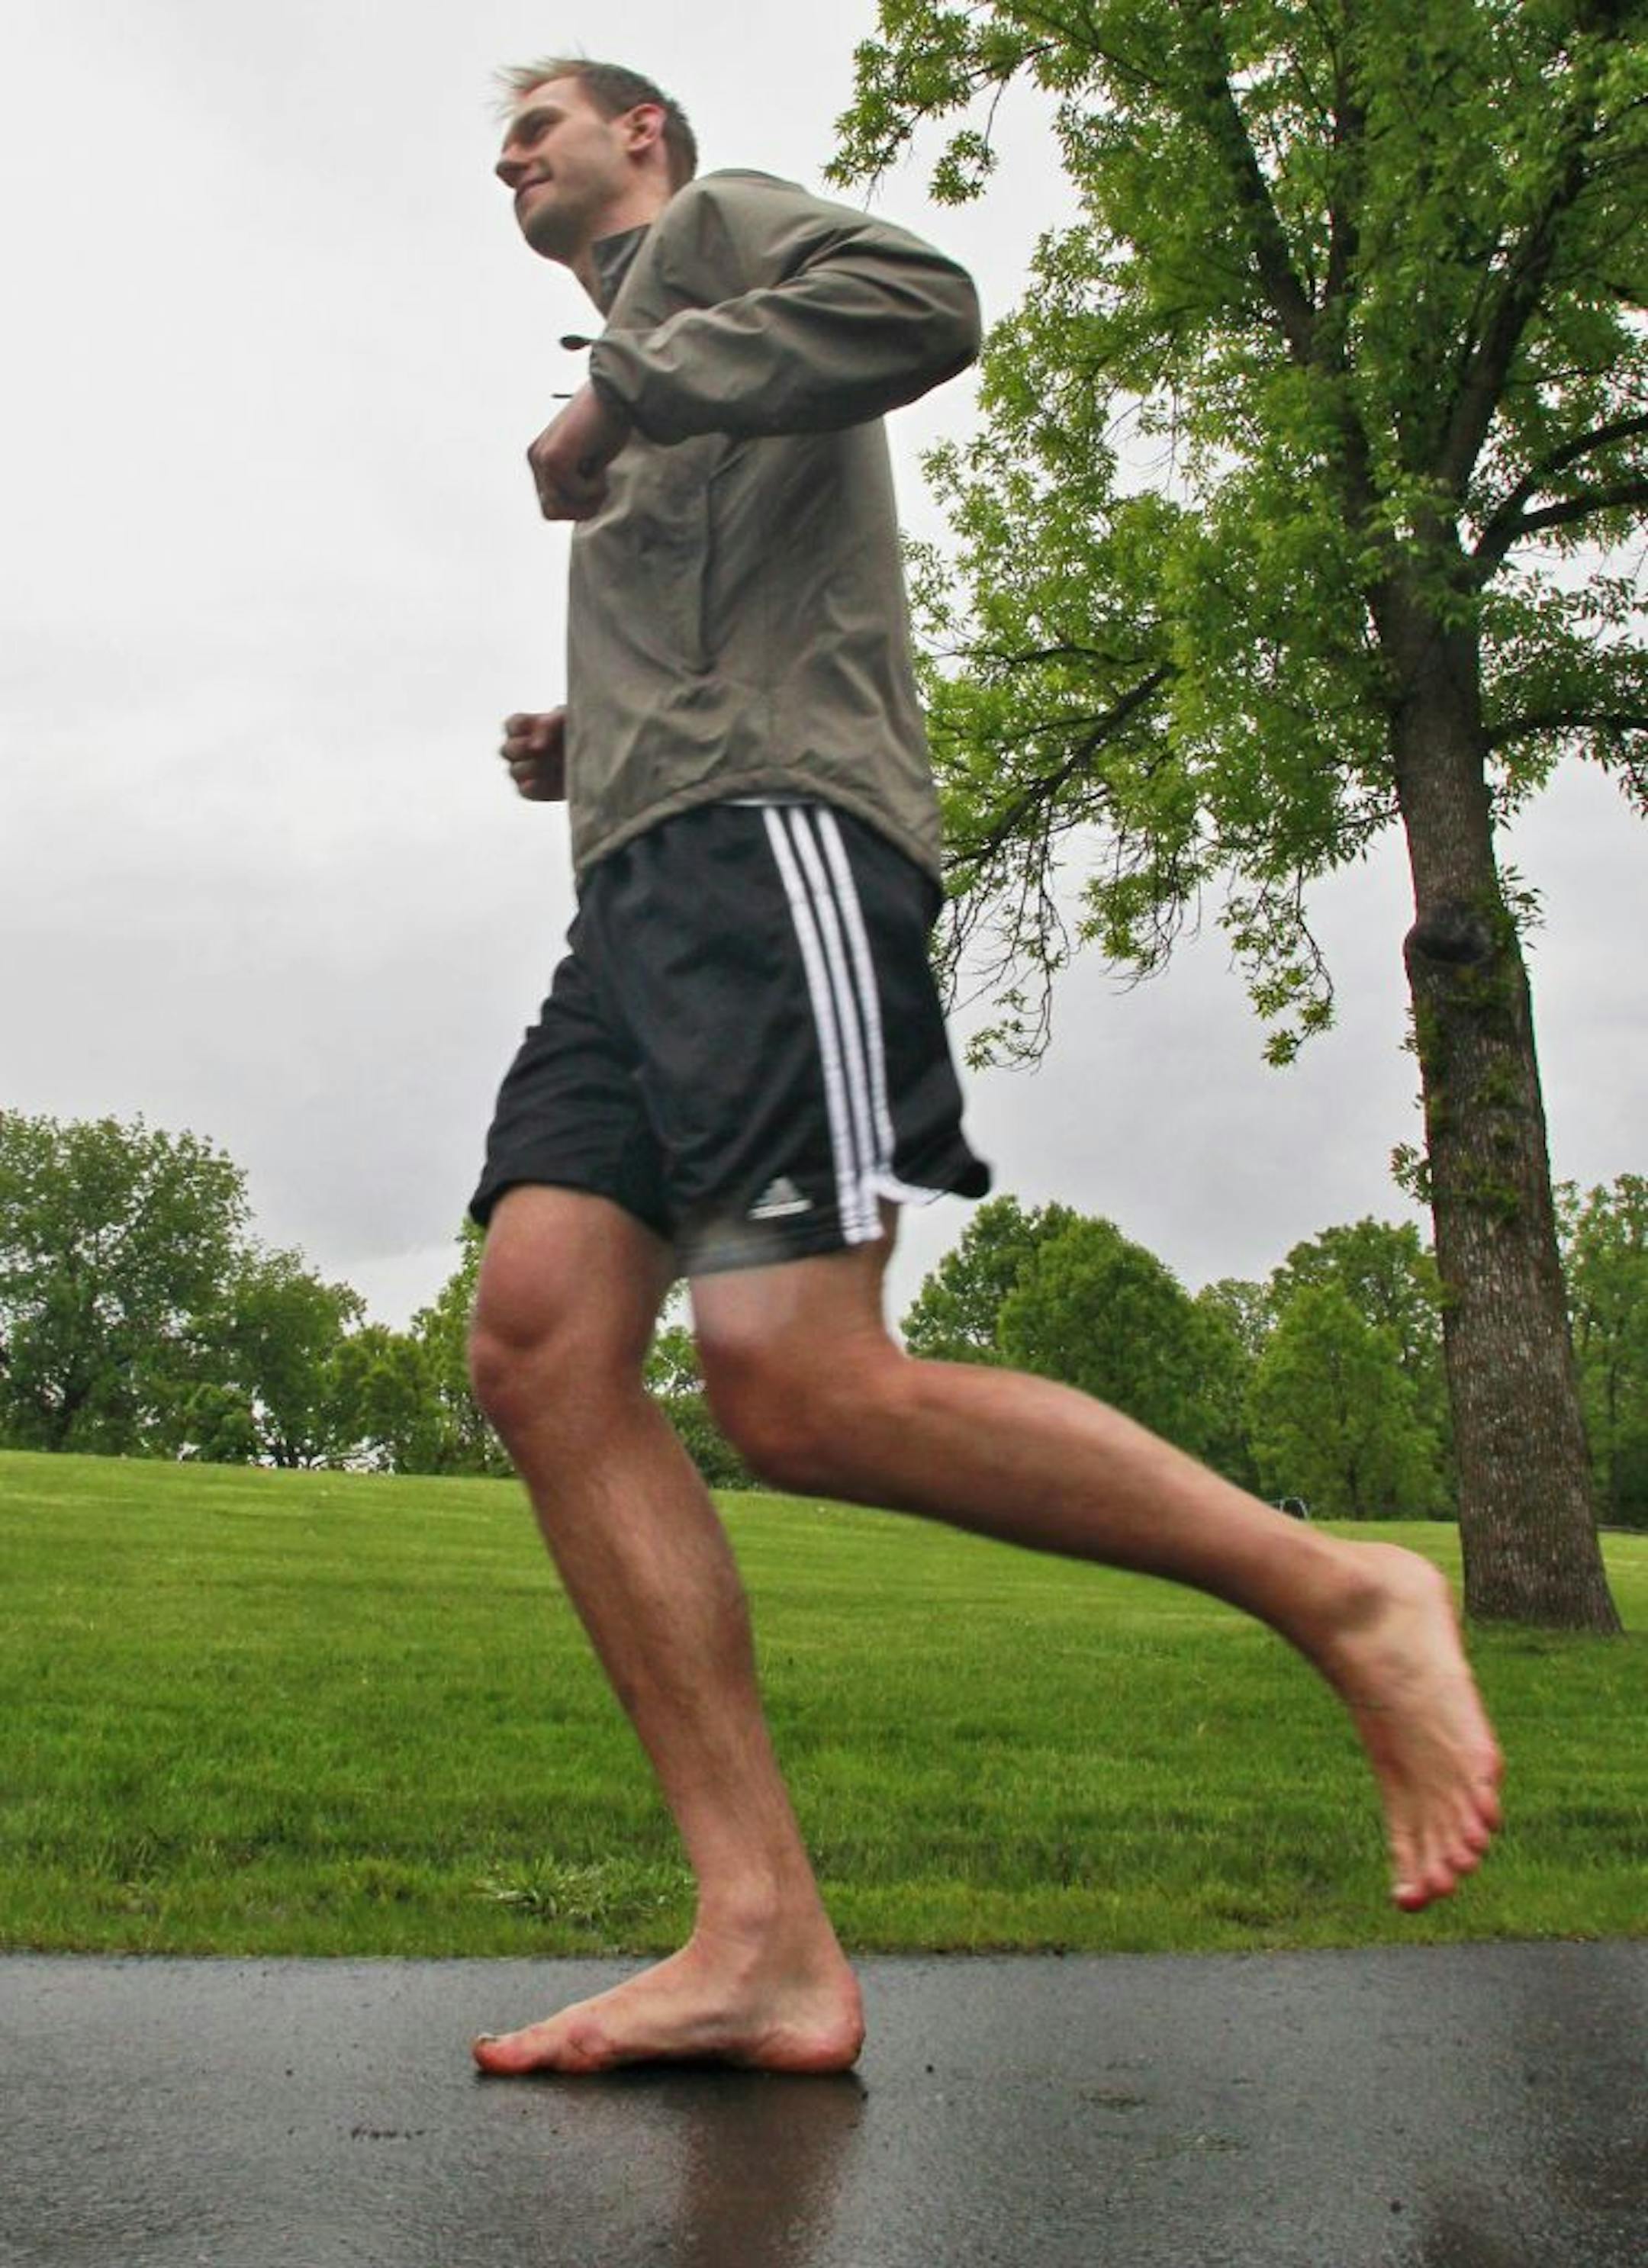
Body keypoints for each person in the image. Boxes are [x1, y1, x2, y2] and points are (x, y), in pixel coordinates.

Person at [466, 57, 1502, 2078]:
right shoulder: (650, 331)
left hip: (779, 847)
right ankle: (757, 1928)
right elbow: (731, 614)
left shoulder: (728, 235)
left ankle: (1346, 1593)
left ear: (644, 139)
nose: (512, 155)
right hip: (648, 875)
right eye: (496, 143)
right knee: (540, 1341)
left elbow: (934, 307)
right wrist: (585, 740)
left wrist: (637, 394)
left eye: (544, 124)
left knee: (801, 1381)